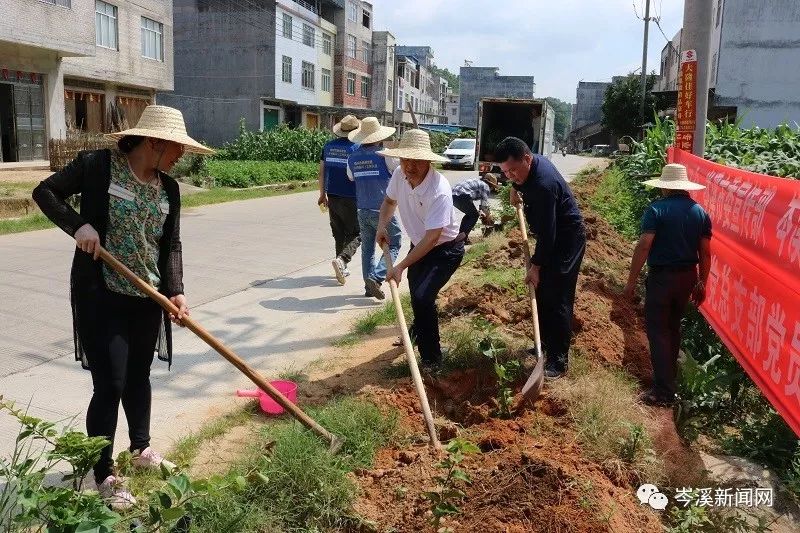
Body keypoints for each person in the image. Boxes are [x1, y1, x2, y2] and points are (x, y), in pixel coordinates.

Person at [32, 105, 209, 510]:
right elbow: (45, 192)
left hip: (146, 294)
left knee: (138, 376)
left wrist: (176, 290)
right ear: (154, 142)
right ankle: (104, 472)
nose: (180, 155)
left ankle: (141, 450)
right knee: (110, 382)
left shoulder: (170, 188)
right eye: (176, 147)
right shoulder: (97, 166)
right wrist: (79, 226)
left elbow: (171, 245)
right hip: (102, 291)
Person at [496, 137, 586, 379]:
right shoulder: (529, 167)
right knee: (545, 293)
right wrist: (515, 187)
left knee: (558, 297)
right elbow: (520, 179)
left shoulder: (544, 185)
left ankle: (558, 359)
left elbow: (548, 235)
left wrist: (536, 267)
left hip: (567, 240)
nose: (510, 175)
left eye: (513, 170)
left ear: (527, 158)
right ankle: (544, 344)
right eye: (505, 172)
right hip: (552, 236)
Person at [624, 163, 711, 407]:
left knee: (658, 331)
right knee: (673, 328)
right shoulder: (700, 212)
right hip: (687, 278)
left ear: (665, 188)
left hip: (662, 278)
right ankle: (668, 382)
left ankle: (662, 392)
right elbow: (705, 253)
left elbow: (644, 245)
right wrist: (703, 282)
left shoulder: (656, 210)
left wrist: (631, 282)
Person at [376, 129, 463, 368]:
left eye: (416, 161)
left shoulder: (439, 190)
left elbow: (432, 238)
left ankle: (432, 358)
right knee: (418, 295)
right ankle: (417, 331)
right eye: (405, 160)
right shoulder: (399, 174)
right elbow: (388, 202)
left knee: (423, 296)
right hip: (420, 245)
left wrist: (401, 266)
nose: (409, 167)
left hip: (446, 250)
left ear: (428, 162)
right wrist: (381, 226)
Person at [346, 117, 401, 300]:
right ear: (379, 136)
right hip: (383, 210)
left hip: (362, 209)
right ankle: (376, 278)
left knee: (367, 249)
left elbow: (351, 178)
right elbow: (400, 172)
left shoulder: (352, 158)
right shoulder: (385, 155)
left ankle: (369, 287)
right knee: (394, 242)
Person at [319, 115, 361, 285]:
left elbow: (321, 172)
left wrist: (322, 194)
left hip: (333, 196)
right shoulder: (357, 148)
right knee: (357, 233)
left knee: (339, 232)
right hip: (352, 197)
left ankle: (341, 264)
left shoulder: (328, 147)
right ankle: (343, 260)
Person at [451, 173, 499, 243]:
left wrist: (480, 212)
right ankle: (462, 238)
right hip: (461, 195)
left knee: (470, 214)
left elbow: (473, 203)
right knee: (474, 215)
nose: (492, 189)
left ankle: (461, 236)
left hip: (453, 195)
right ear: (490, 184)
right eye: (492, 187)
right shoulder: (485, 187)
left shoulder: (478, 182)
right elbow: (484, 206)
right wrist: (488, 216)